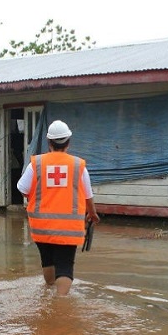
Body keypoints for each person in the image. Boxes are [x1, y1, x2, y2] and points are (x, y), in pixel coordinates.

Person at [17, 120, 100, 295]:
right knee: (65, 267)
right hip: (68, 229)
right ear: (68, 142)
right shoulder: (78, 166)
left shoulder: (36, 164)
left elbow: (22, 189)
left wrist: (39, 196)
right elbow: (88, 196)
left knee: (48, 261)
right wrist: (92, 213)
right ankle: (60, 305)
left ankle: (49, 294)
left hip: (41, 227)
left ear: (49, 143)